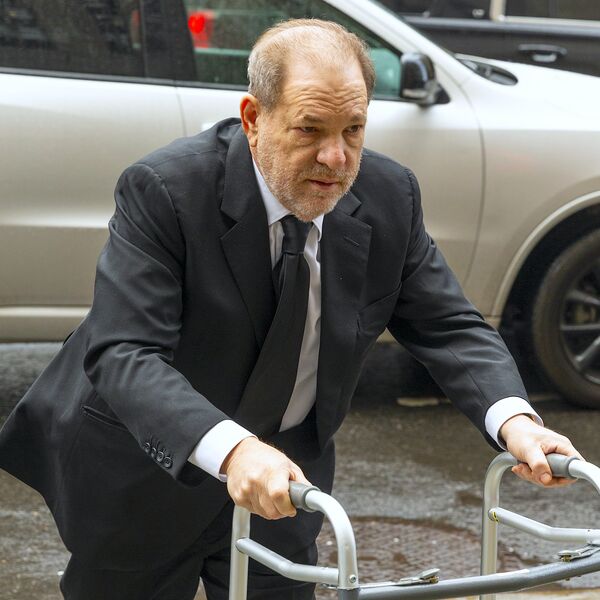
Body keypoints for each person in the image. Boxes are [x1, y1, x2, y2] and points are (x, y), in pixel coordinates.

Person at [0, 18, 582, 600]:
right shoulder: (166, 190)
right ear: (253, 118)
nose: (335, 158)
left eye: (354, 130)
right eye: (310, 129)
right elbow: (125, 352)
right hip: (149, 477)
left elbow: (447, 324)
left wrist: (516, 422)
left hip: (287, 483)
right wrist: (234, 450)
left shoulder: (389, 196)